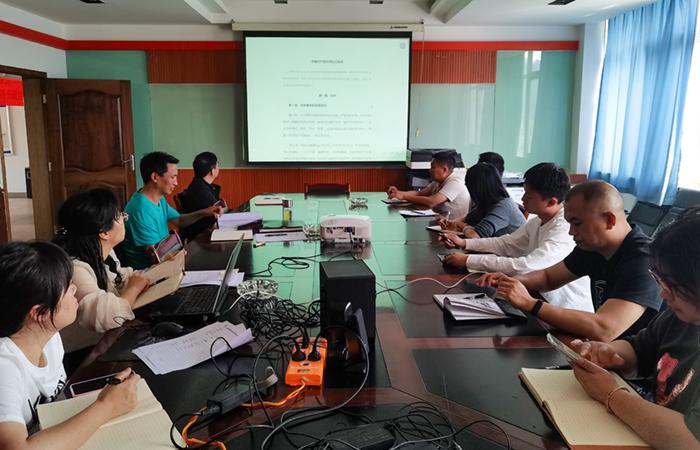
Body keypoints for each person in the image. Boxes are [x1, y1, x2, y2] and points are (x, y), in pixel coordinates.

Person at [569, 208, 700, 450]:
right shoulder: (678, 317)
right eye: (660, 280)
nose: (663, 294)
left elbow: (691, 440)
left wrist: (612, 395)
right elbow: (638, 349)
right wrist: (606, 351)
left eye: (673, 284)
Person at [477, 180, 662, 341]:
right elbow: (548, 278)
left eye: (577, 223)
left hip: (637, 366)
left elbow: (604, 329)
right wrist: (512, 281)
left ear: (609, 220)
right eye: (569, 223)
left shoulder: (645, 260)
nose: (572, 232)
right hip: (604, 351)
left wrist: (530, 304)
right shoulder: (593, 247)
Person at [0, 241, 139, 446]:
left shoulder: (50, 338)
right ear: (39, 313)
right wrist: (106, 406)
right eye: (66, 287)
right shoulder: (5, 367)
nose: (74, 288)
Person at [441, 163, 592, 312]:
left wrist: (468, 260)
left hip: (565, 309)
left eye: (529, 196)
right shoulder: (538, 221)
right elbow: (505, 243)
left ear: (551, 201)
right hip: (537, 297)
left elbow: (528, 266)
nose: (523, 199)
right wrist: (464, 243)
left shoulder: (563, 229)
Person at [54, 189, 150, 353]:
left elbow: (122, 278)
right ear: (104, 233)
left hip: (104, 341)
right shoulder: (75, 268)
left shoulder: (103, 252)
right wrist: (134, 288)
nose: (124, 218)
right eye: (119, 216)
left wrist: (163, 268)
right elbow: (106, 316)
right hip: (82, 352)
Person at [122, 151, 225, 269]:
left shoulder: (158, 199)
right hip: (150, 272)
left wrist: (205, 212)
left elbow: (179, 220)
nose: (176, 183)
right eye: (173, 177)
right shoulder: (141, 210)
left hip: (167, 262)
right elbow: (156, 258)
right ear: (155, 177)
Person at [440, 162, 525, 238]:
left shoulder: (504, 206)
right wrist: (450, 223)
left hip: (512, 251)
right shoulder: (487, 204)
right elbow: (467, 219)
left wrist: (462, 226)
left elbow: (475, 236)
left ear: (477, 188)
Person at [387, 151, 471, 219]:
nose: (429, 170)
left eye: (433, 167)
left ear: (444, 170)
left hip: (452, 227)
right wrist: (398, 193)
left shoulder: (455, 182)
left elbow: (432, 202)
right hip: (439, 222)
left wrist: (403, 196)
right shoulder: (437, 181)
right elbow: (419, 193)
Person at [178, 151, 225, 240]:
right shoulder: (202, 191)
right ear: (212, 171)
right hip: (202, 238)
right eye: (217, 165)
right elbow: (216, 217)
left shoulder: (198, 184)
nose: (219, 168)